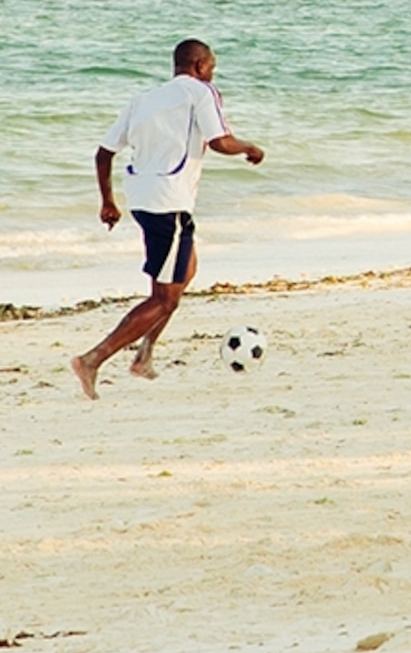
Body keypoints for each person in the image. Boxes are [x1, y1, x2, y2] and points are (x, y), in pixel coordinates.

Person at [70, 40, 265, 398]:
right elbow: (220, 141)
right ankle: (92, 359)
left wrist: (108, 203)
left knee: (185, 271)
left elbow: (103, 154)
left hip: (143, 201)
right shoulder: (202, 93)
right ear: (201, 65)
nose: (213, 73)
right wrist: (250, 148)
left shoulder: (142, 99)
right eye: (213, 67)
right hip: (169, 205)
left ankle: (144, 353)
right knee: (163, 298)